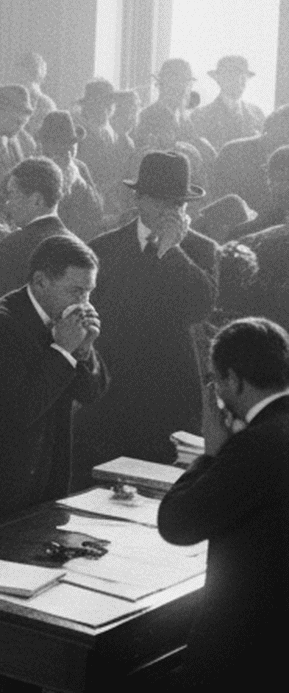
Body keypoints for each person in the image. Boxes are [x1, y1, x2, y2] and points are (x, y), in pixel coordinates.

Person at [0, 235, 107, 533]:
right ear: (41, 282)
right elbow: (22, 410)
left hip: (44, 483)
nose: (85, 303)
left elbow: (92, 393)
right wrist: (64, 351)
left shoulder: (66, 323)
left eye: (89, 292)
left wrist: (84, 349)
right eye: (76, 291)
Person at [156, 316, 289, 690]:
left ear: (233, 379)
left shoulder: (256, 446)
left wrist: (211, 454)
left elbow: (177, 524)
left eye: (215, 380)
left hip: (245, 653)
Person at [77, 151, 218, 477]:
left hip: (168, 391)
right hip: (113, 388)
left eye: (179, 205)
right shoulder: (103, 248)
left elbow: (200, 306)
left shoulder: (200, 249)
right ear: (140, 199)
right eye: (163, 202)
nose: (172, 212)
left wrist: (171, 251)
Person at [0, 158, 71, 306]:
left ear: (37, 200)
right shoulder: (75, 245)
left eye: (12, 194)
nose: (7, 204)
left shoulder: (15, 245)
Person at [35, 110, 106, 239]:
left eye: (72, 143)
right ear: (46, 145)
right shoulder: (35, 170)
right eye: (62, 144)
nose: (69, 150)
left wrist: (79, 181)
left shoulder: (80, 167)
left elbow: (96, 210)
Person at [192, 55, 264, 150]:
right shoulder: (200, 116)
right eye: (232, 76)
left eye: (243, 77)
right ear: (219, 79)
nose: (239, 82)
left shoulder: (257, 114)